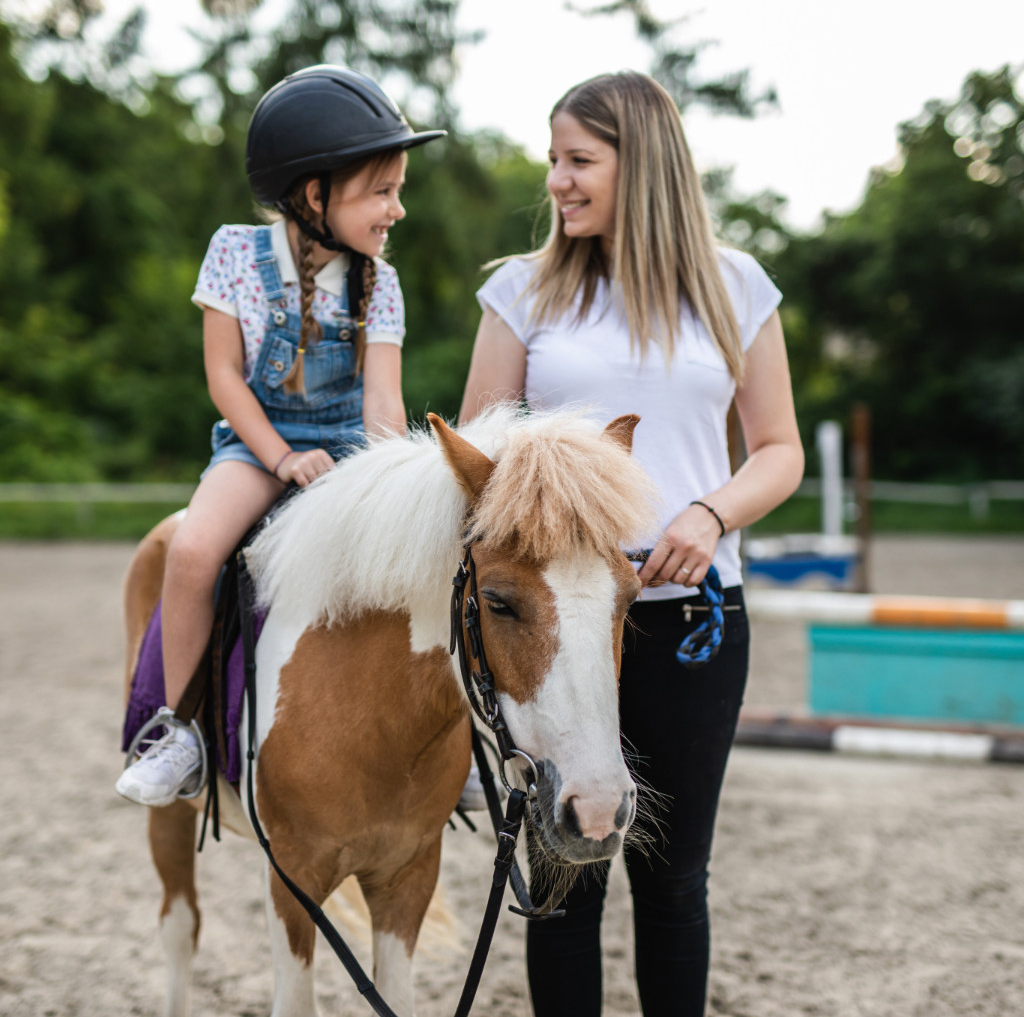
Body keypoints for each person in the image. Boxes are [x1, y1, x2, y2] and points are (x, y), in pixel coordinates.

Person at [459, 72, 804, 1016]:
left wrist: (708, 514)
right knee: (564, 882)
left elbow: (779, 452)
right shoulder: (520, 291)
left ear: (640, 163)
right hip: (556, 631)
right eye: (553, 160)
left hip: (691, 620)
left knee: (675, 883)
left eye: (579, 161)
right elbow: (480, 457)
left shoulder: (737, 287)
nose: (557, 181)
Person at [116, 65, 445, 807]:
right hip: (257, 442)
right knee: (196, 548)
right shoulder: (234, 253)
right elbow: (226, 378)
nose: (397, 208)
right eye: (381, 191)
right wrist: (281, 457)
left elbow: (383, 402)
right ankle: (178, 732)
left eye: (398, 189)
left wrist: (384, 482)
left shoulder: (378, 282)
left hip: (348, 446)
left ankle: (438, 743)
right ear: (313, 194)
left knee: (421, 556)